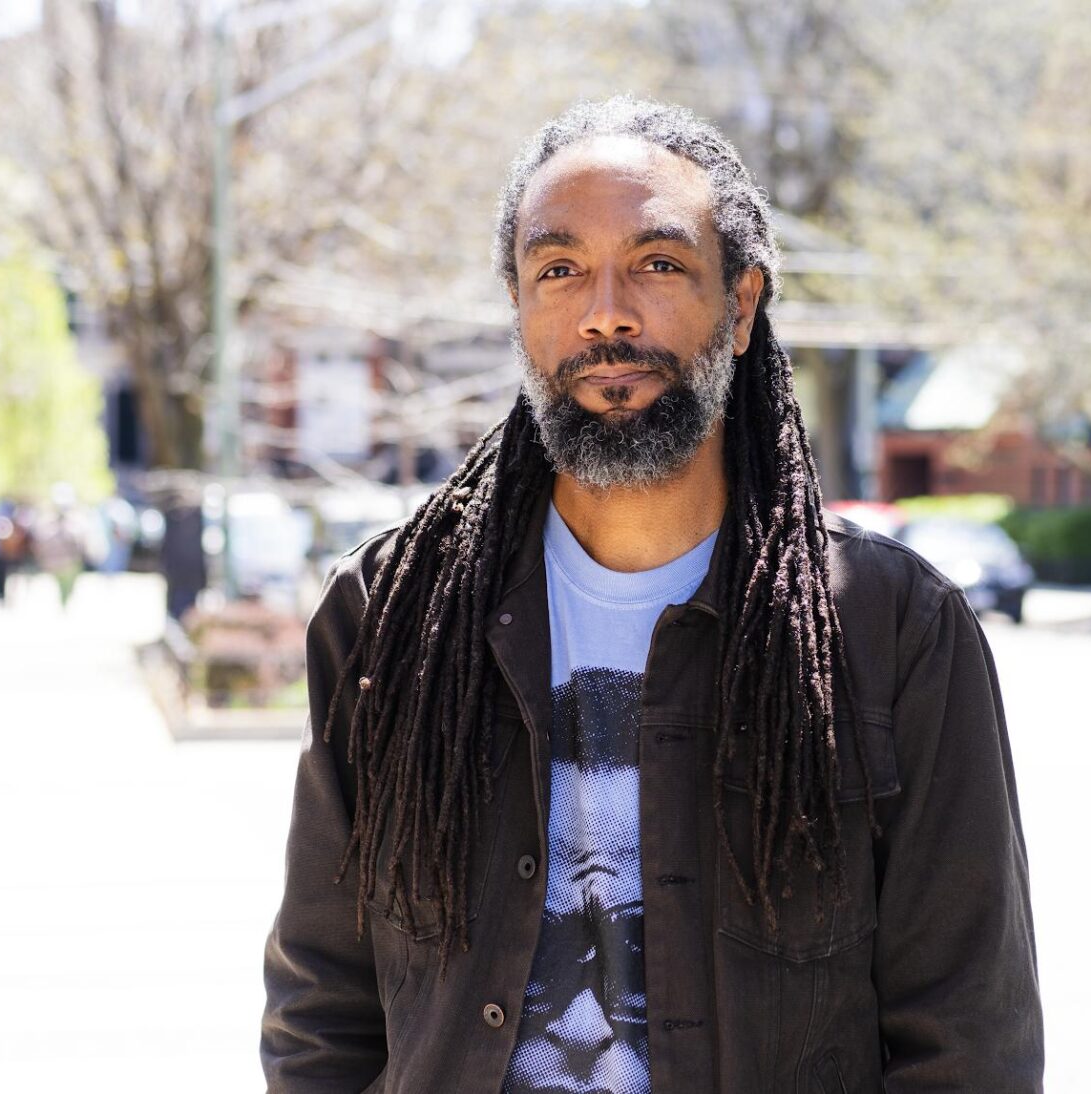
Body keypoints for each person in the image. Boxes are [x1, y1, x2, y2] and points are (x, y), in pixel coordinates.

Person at [262, 97, 1043, 1093]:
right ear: (518, 309)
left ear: (742, 302)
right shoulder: (388, 616)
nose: (605, 310)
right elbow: (321, 1009)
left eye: (658, 263)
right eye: (558, 269)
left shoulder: (892, 631)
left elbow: (967, 1039)